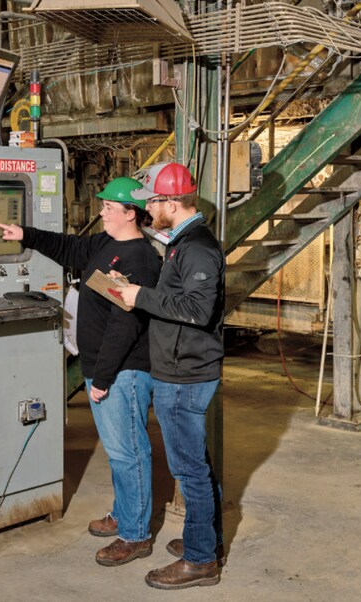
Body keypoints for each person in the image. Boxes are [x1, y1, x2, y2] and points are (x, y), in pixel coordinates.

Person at [0, 177, 160, 567]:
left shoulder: (140, 259)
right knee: (120, 452)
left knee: (129, 452)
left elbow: (126, 325)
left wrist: (102, 378)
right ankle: (124, 513)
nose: (101, 211)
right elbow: (70, 247)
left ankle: (136, 535)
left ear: (130, 214)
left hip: (123, 372)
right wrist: (26, 235)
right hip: (102, 366)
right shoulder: (105, 244)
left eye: (108, 208)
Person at [116, 162, 225, 590]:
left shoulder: (196, 247)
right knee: (196, 463)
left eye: (154, 203)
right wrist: (138, 292)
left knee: (189, 470)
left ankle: (200, 561)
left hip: (185, 375)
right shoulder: (181, 242)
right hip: (181, 368)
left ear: (171, 203)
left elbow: (197, 311)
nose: (149, 211)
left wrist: (141, 296)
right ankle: (207, 539)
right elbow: (180, 298)